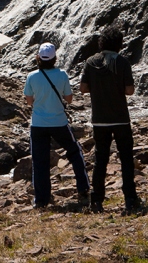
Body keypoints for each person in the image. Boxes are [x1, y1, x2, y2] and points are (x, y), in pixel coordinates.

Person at [79, 27, 140, 213]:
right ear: (119, 44)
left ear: (102, 42)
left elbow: (82, 88)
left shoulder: (91, 62)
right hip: (120, 118)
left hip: (99, 119)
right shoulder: (122, 62)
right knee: (126, 158)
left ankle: (96, 200)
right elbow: (130, 90)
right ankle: (130, 199)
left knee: (101, 159)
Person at [23, 42, 89, 209]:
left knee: (39, 161)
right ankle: (83, 188)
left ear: (38, 58)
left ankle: (41, 200)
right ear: (54, 59)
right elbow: (69, 98)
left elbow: (29, 101)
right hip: (59, 122)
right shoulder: (62, 75)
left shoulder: (32, 76)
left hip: (38, 124)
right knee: (74, 152)